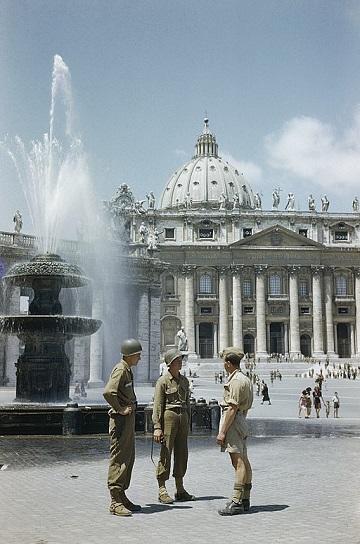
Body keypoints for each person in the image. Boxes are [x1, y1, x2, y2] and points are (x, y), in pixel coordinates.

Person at [103, 338, 143, 517]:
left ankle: (122, 495)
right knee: (119, 457)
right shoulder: (120, 370)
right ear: (131, 355)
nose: (139, 359)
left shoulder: (127, 370)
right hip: (121, 421)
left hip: (128, 420)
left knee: (128, 457)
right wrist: (120, 409)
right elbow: (108, 392)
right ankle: (114, 501)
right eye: (138, 355)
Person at [152, 348, 194, 504]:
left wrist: (188, 419)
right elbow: (158, 405)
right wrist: (157, 426)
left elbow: (188, 402)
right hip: (168, 417)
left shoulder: (184, 381)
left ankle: (180, 488)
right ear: (170, 364)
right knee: (166, 452)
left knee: (182, 453)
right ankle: (162, 489)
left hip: (183, 417)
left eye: (181, 360)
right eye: (177, 360)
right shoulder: (162, 381)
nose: (180, 362)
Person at [217, 350, 253, 516]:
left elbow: (232, 408)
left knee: (237, 461)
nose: (223, 365)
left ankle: (237, 500)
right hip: (240, 420)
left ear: (229, 363)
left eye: (224, 362)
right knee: (243, 460)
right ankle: (245, 499)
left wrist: (222, 432)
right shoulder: (244, 378)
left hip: (233, 422)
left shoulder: (237, 381)